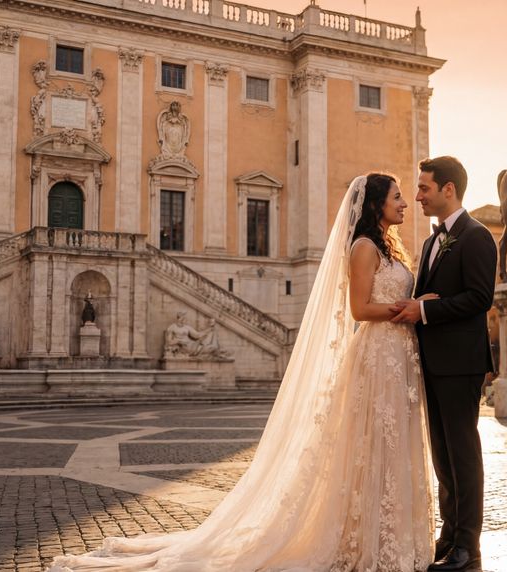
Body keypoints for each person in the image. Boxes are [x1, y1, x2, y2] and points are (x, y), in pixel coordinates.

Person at [49, 173, 436, 571]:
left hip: (397, 355)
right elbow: (358, 310)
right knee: (372, 446)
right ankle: (367, 539)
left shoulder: (391, 248)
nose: (404, 203)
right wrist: (407, 308)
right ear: (375, 204)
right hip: (377, 354)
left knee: (391, 445)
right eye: (397, 197)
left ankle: (388, 534)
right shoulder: (364, 247)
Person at [392, 156, 497, 572]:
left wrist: (425, 312)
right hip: (434, 363)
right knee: (442, 456)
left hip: (461, 363)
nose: (417, 196)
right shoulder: (430, 241)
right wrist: (419, 308)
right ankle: (449, 535)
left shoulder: (477, 237)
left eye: (424, 188)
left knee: (463, 455)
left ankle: (468, 546)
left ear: (448, 189)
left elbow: (479, 298)